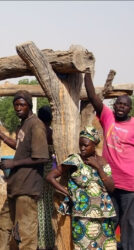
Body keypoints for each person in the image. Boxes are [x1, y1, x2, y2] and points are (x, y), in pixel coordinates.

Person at [84, 70, 134, 250]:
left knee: (128, 227)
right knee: (109, 223)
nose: (121, 107)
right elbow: (92, 97)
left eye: (125, 105)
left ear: (130, 108)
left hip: (130, 185)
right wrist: (87, 73)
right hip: (109, 182)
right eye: (118, 104)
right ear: (114, 106)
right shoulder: (108, 118)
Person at [0, 90, 49, 250]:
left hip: (27, 188)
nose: (18, 108)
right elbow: (20, 147)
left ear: (29, 106)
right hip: (16, 187)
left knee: (27, 236)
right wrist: (2, 136)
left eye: (22, 105)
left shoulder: (36, 125)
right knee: (3, 226)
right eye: (16, 105)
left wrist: (14, 164)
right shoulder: (24, 124)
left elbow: (42, 157)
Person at [46, 126, 117, 249]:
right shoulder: (75, 160)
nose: (82, 148)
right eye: (80, 145)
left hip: (104, 214)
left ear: (94, 145)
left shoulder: (102, 161)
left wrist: (99, 168)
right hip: (83, 214)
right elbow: (50, 177)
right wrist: (67, 193)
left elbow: (111, 188)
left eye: (86, 145)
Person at [37, 105, 55, 250]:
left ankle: (41, 243)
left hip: (39, 173)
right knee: (48, 209)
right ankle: (48, 243)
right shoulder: (52, 133)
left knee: (39, 209)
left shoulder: (39, 133)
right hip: (51, 174)